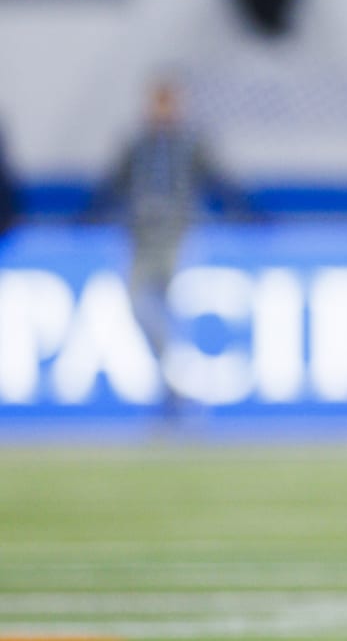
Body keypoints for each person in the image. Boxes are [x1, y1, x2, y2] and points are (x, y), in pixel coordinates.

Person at [91, 80, 252, 406]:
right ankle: (173, 380)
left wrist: (248, 215)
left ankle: (175, 387)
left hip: (178, 236)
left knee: (170, 308)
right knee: (140, 307)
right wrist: (86, 219)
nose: (163, 110)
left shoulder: (191, 143)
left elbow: (216, 182)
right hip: (139, 238)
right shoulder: (136, 143)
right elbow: (114, 185)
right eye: (158, 102)